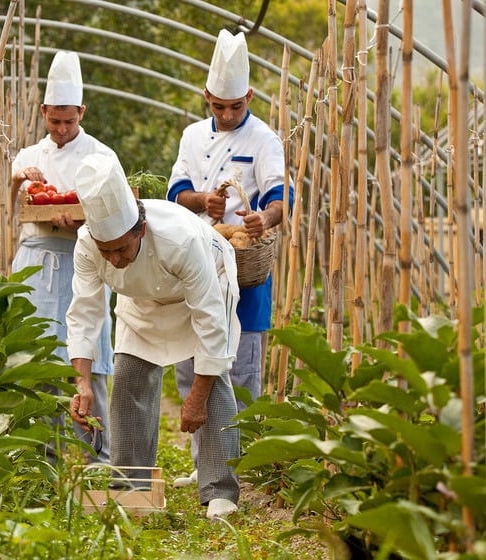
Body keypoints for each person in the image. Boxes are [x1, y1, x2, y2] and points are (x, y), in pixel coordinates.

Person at [66, 153, 242, 520]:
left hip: (201, 291)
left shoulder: (180, 240)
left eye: (121, 248)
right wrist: (82, 383)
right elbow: (84, 313)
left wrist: (196, 396)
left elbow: (210, 320)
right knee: (128, 378)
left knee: (213, 380)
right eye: (106, 251)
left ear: (140, 231)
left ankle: (219, 489)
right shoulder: (87, 246)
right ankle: (132, 483)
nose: (114, 260)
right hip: (140, 301)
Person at [167, 29, 291, 488]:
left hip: (245, 270)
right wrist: (203, 200)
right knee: (192, 364)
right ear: (207, 97)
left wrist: (262, 219)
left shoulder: (265, 139)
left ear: (249, 97)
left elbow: (279, 198)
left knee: (240, 371)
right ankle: (204, 464)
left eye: (235, 106)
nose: (226, 114)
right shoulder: (192, 136)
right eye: (218, 106)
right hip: (198, 265)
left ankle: (240, 469)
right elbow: (176, 192)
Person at [10, 51, 115, 464]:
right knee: (39, 361)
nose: (61, 129)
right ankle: (42, 459)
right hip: (36, 264)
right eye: (54, 120)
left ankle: (97, 458)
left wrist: (80, 222)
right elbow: (8, 210)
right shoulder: (28, 158)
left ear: (82, 112)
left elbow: (117, 213)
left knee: (89, 359)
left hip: (83, 259)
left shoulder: (102, 156)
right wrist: (16, 180)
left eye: (69, 121)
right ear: (43, 112)